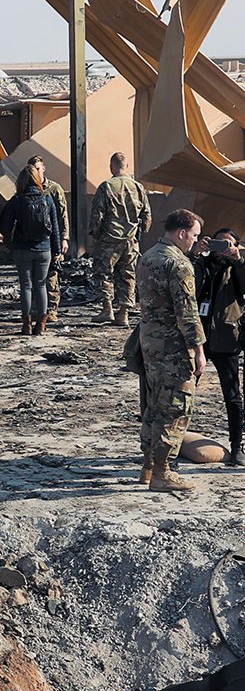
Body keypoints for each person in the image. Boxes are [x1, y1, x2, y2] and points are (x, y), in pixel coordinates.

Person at [136, 209, 206, 493]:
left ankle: (148, 466)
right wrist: (198, 350)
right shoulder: (178, 265)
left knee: (154, 405)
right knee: (176, 408)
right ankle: (163, 473)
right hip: (173, 347)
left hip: (150, 343)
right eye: (194, 235)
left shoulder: (148, 256)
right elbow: (187, 312)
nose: (195, 240)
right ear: (181, 233)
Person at [193, 227, 245, 466]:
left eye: (227, 245)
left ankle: (238, 446)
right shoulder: (200, 265)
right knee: (183, 393)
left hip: (226, 339)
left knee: (232, 396)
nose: (221, 249)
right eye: (218, 243)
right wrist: (196, 254)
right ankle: (168, 446)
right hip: (196, 338)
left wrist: (238, 261)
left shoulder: (236, 268)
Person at [0, 163, 61, 336]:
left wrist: (11, 246)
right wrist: (57, 250)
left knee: (25, 286)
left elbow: (5, 227)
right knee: (41, 285)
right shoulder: (47, 199)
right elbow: (55, 227)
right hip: (44, 248)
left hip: (22, 248)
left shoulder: (16, 201)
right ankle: (41, 324)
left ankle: (26, 324)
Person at [89, 152, 151, 326]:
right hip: (130, 239)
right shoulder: (138, 187)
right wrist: (141, 232)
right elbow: (147, 215)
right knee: (128, 275)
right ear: (127, 167)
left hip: (109, 238)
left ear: (111, 166)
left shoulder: (106, 187)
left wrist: (95, 233)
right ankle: (123, 314)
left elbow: (97, 214)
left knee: (103, 273)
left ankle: (107, 308)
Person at [31, 155, 71, 324]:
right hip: (34, 240)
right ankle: (36, 308)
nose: (36, 173)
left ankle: (52, 309)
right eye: (33, 170)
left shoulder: (53, 189)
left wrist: (64, 237)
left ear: (43, 169)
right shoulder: (28, 188)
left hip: (52, 239)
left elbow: (63, 215)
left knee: (52, 275)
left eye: (38, 169)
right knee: (35, 276)